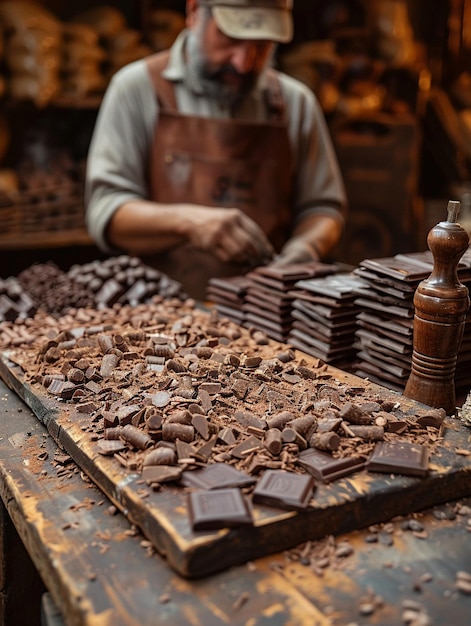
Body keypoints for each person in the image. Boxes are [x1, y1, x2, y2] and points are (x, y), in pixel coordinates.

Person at [85, 0, 347, 299]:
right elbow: (106, 212)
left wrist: (305, 249)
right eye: (231, 39)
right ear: (194, 12)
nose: (243, 63)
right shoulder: (136, 89)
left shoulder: (296, 103)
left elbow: (324, 209)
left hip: (267, 315)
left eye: (262, 46)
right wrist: (190, 223)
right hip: (158, 316)